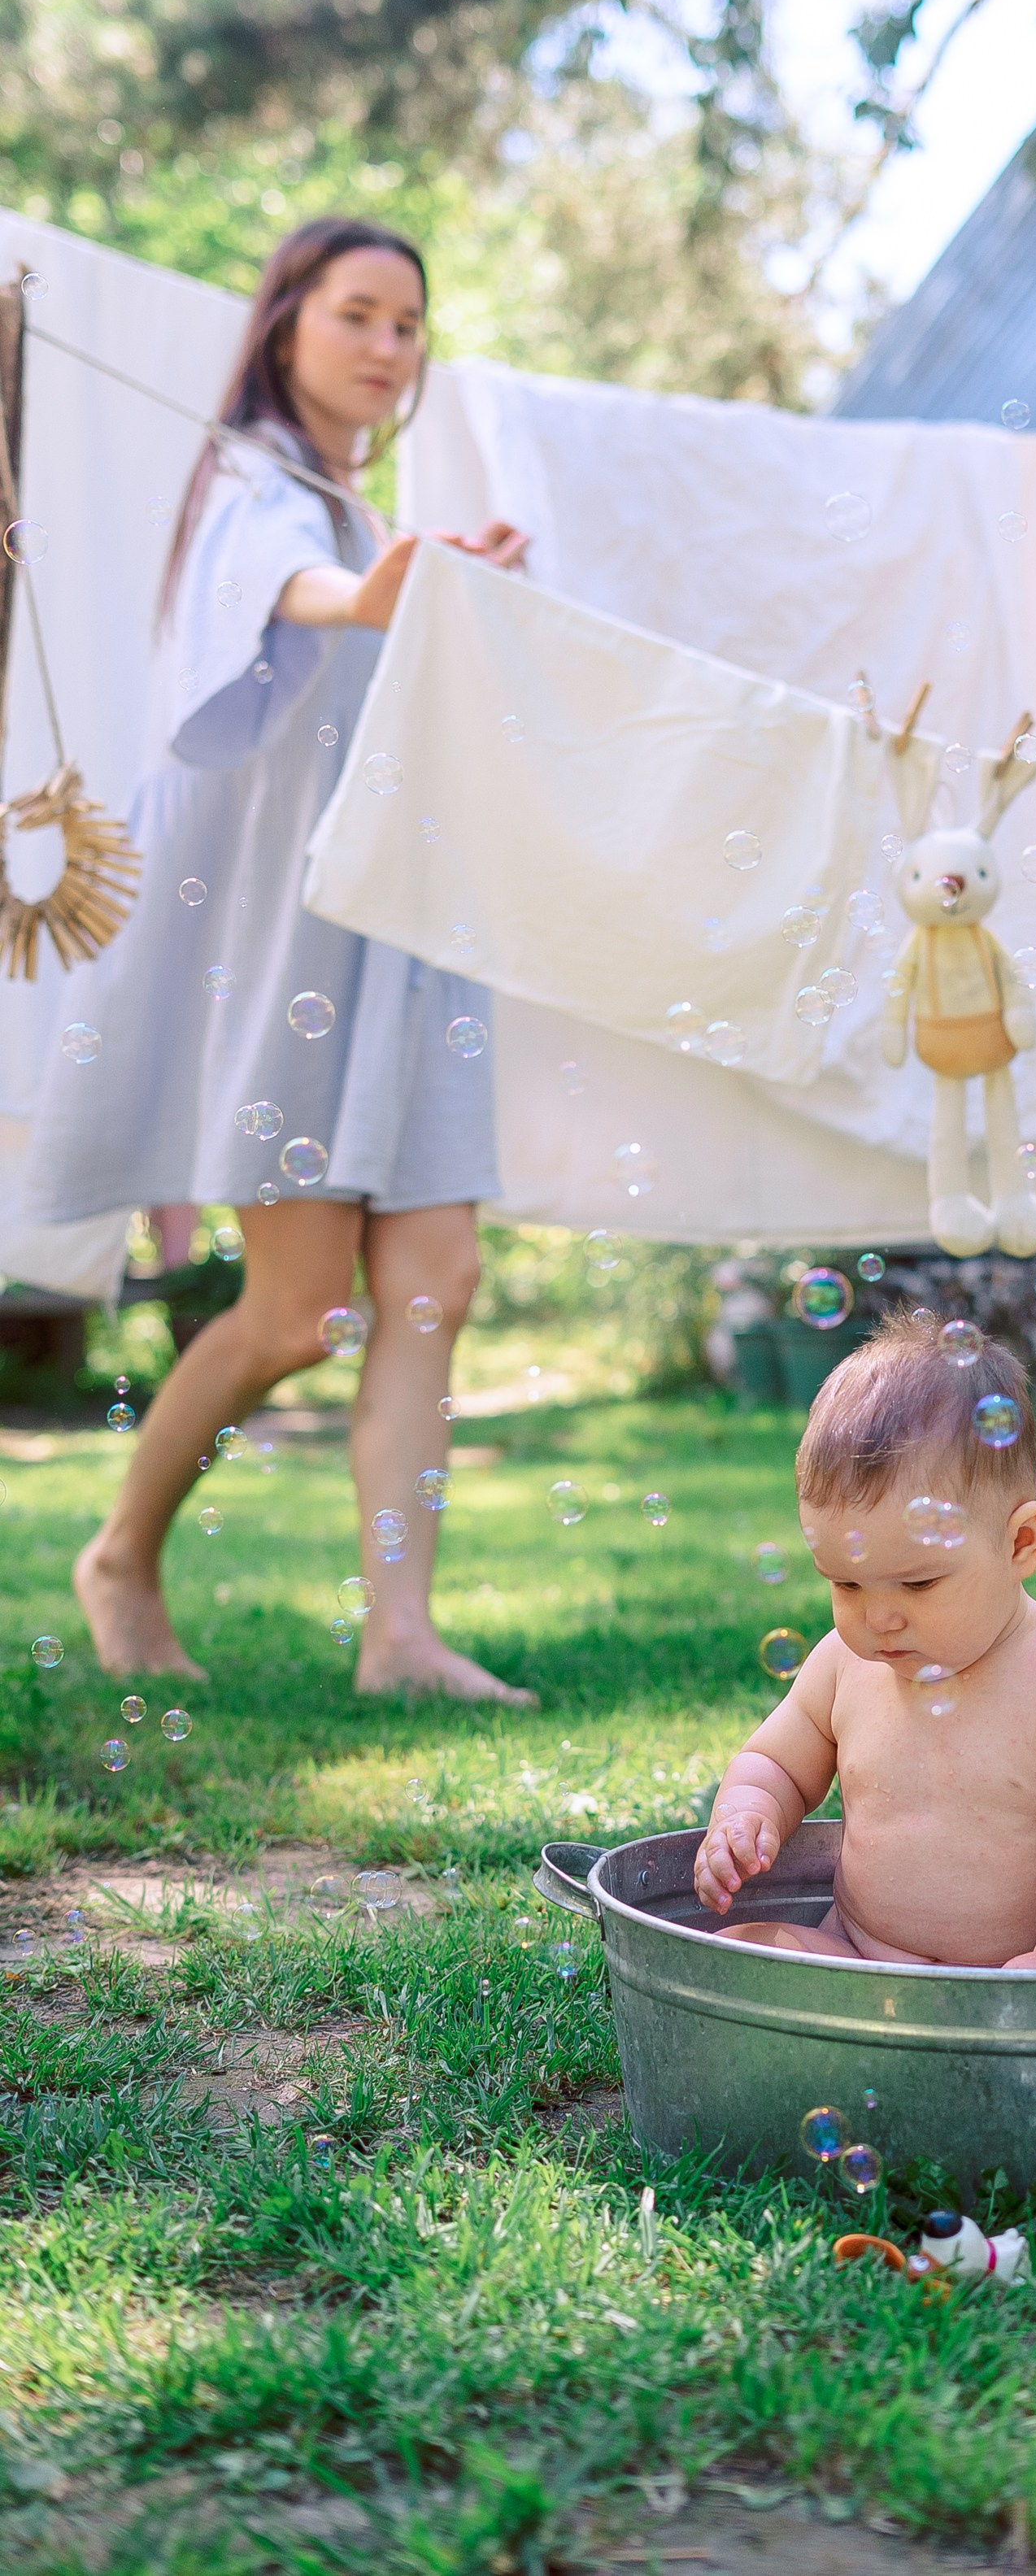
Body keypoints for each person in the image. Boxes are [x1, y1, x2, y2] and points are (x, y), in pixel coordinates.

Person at [27, 218, 536, 1704]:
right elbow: (280, 597)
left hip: (401, 926)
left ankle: (402, 1636)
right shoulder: (250, 480)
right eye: (358, 314)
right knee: (297, 1311)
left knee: (435, 1274)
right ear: (286, 325)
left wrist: (449, 588)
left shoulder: (364, 512)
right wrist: (372, 593)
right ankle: (120, 1550)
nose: (387, 347)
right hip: (281, 938)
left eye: (407, 325)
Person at [693, 1312, 1036, 1968]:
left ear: (1020, 1542)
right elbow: (774, 1763)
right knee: (736, 1950)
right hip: (864, 1954)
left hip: (1025, 1973)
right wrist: (744, 1813)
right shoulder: (841, 1665)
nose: (878, 1618)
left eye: (917, 1584)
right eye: (846, 1585)